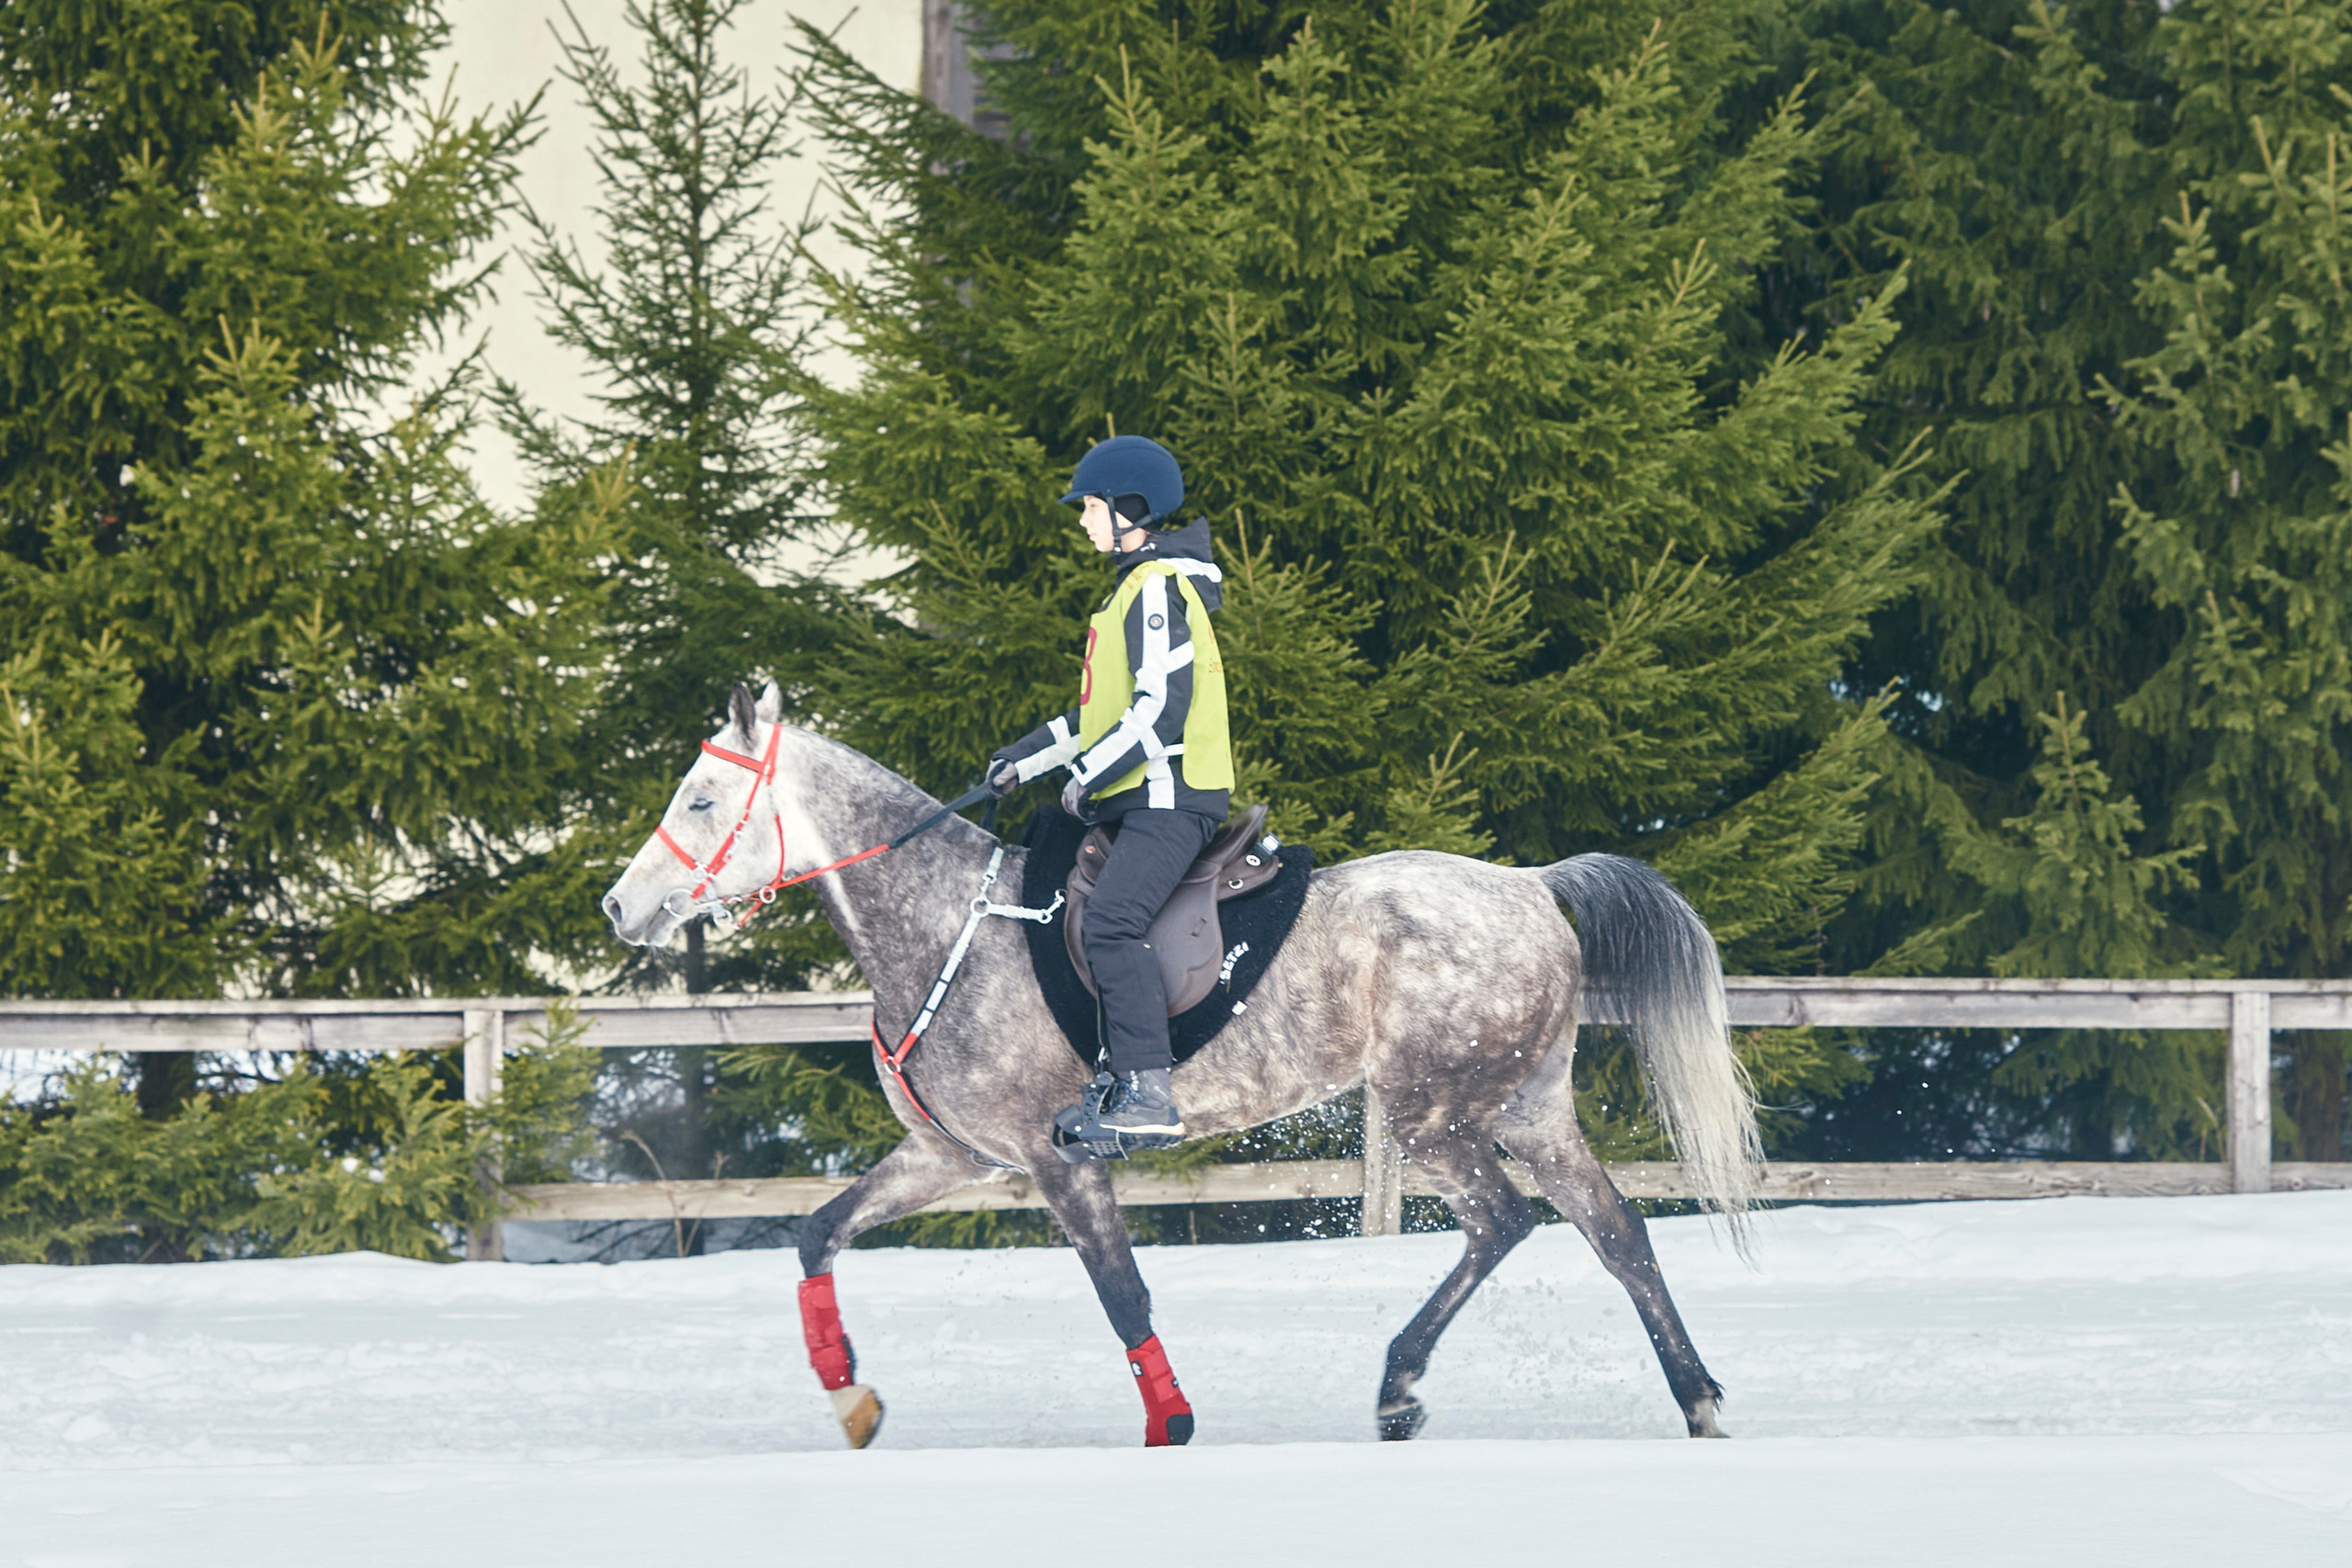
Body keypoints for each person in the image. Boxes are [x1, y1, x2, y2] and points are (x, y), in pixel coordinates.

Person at [987, 435, 1232, 1150]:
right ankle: (1114, 1079)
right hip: (1141, 793)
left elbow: (1161, 709)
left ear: (1130, 510)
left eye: (1092, 506)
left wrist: (1084, 781)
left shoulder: (1157, 589)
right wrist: (1023, 762)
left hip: (1171, 793)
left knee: (1112, 922)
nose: (1084, 519)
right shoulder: (1129, 590)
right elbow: (1095, 718)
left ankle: (1149, 1093)